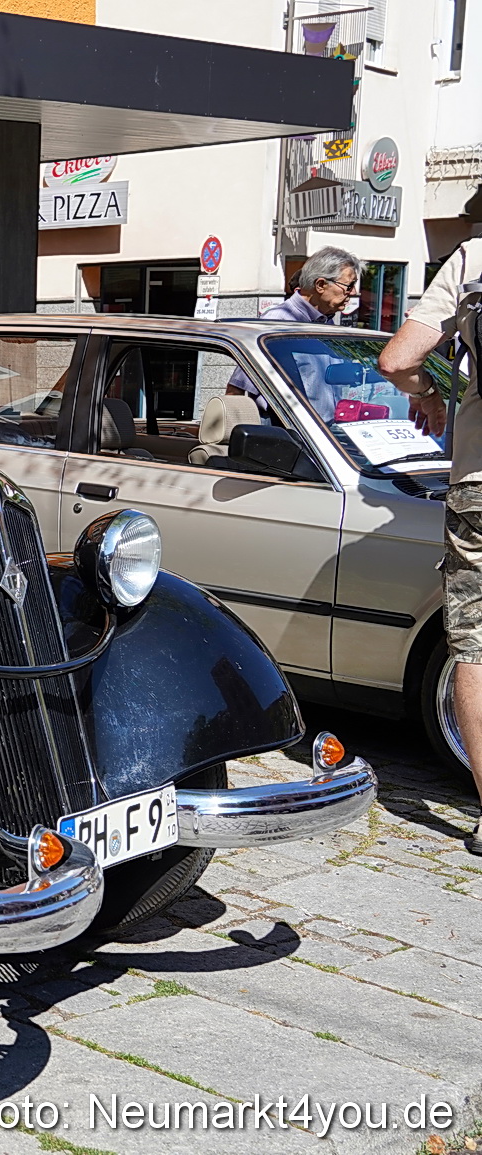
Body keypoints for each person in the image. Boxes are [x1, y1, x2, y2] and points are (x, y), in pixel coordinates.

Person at [379, 233, 482, 853]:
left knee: (475, 646)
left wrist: (433, 392)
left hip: (480, 483)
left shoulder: (474, 256)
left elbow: (395, 361)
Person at [229, 246, 361, 418]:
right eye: (349, 286)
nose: (354, 292)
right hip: (285, 432)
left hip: (323, 432)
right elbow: (238, 387)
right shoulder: (279, 320)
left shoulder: (326, 321)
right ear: (321, 285)